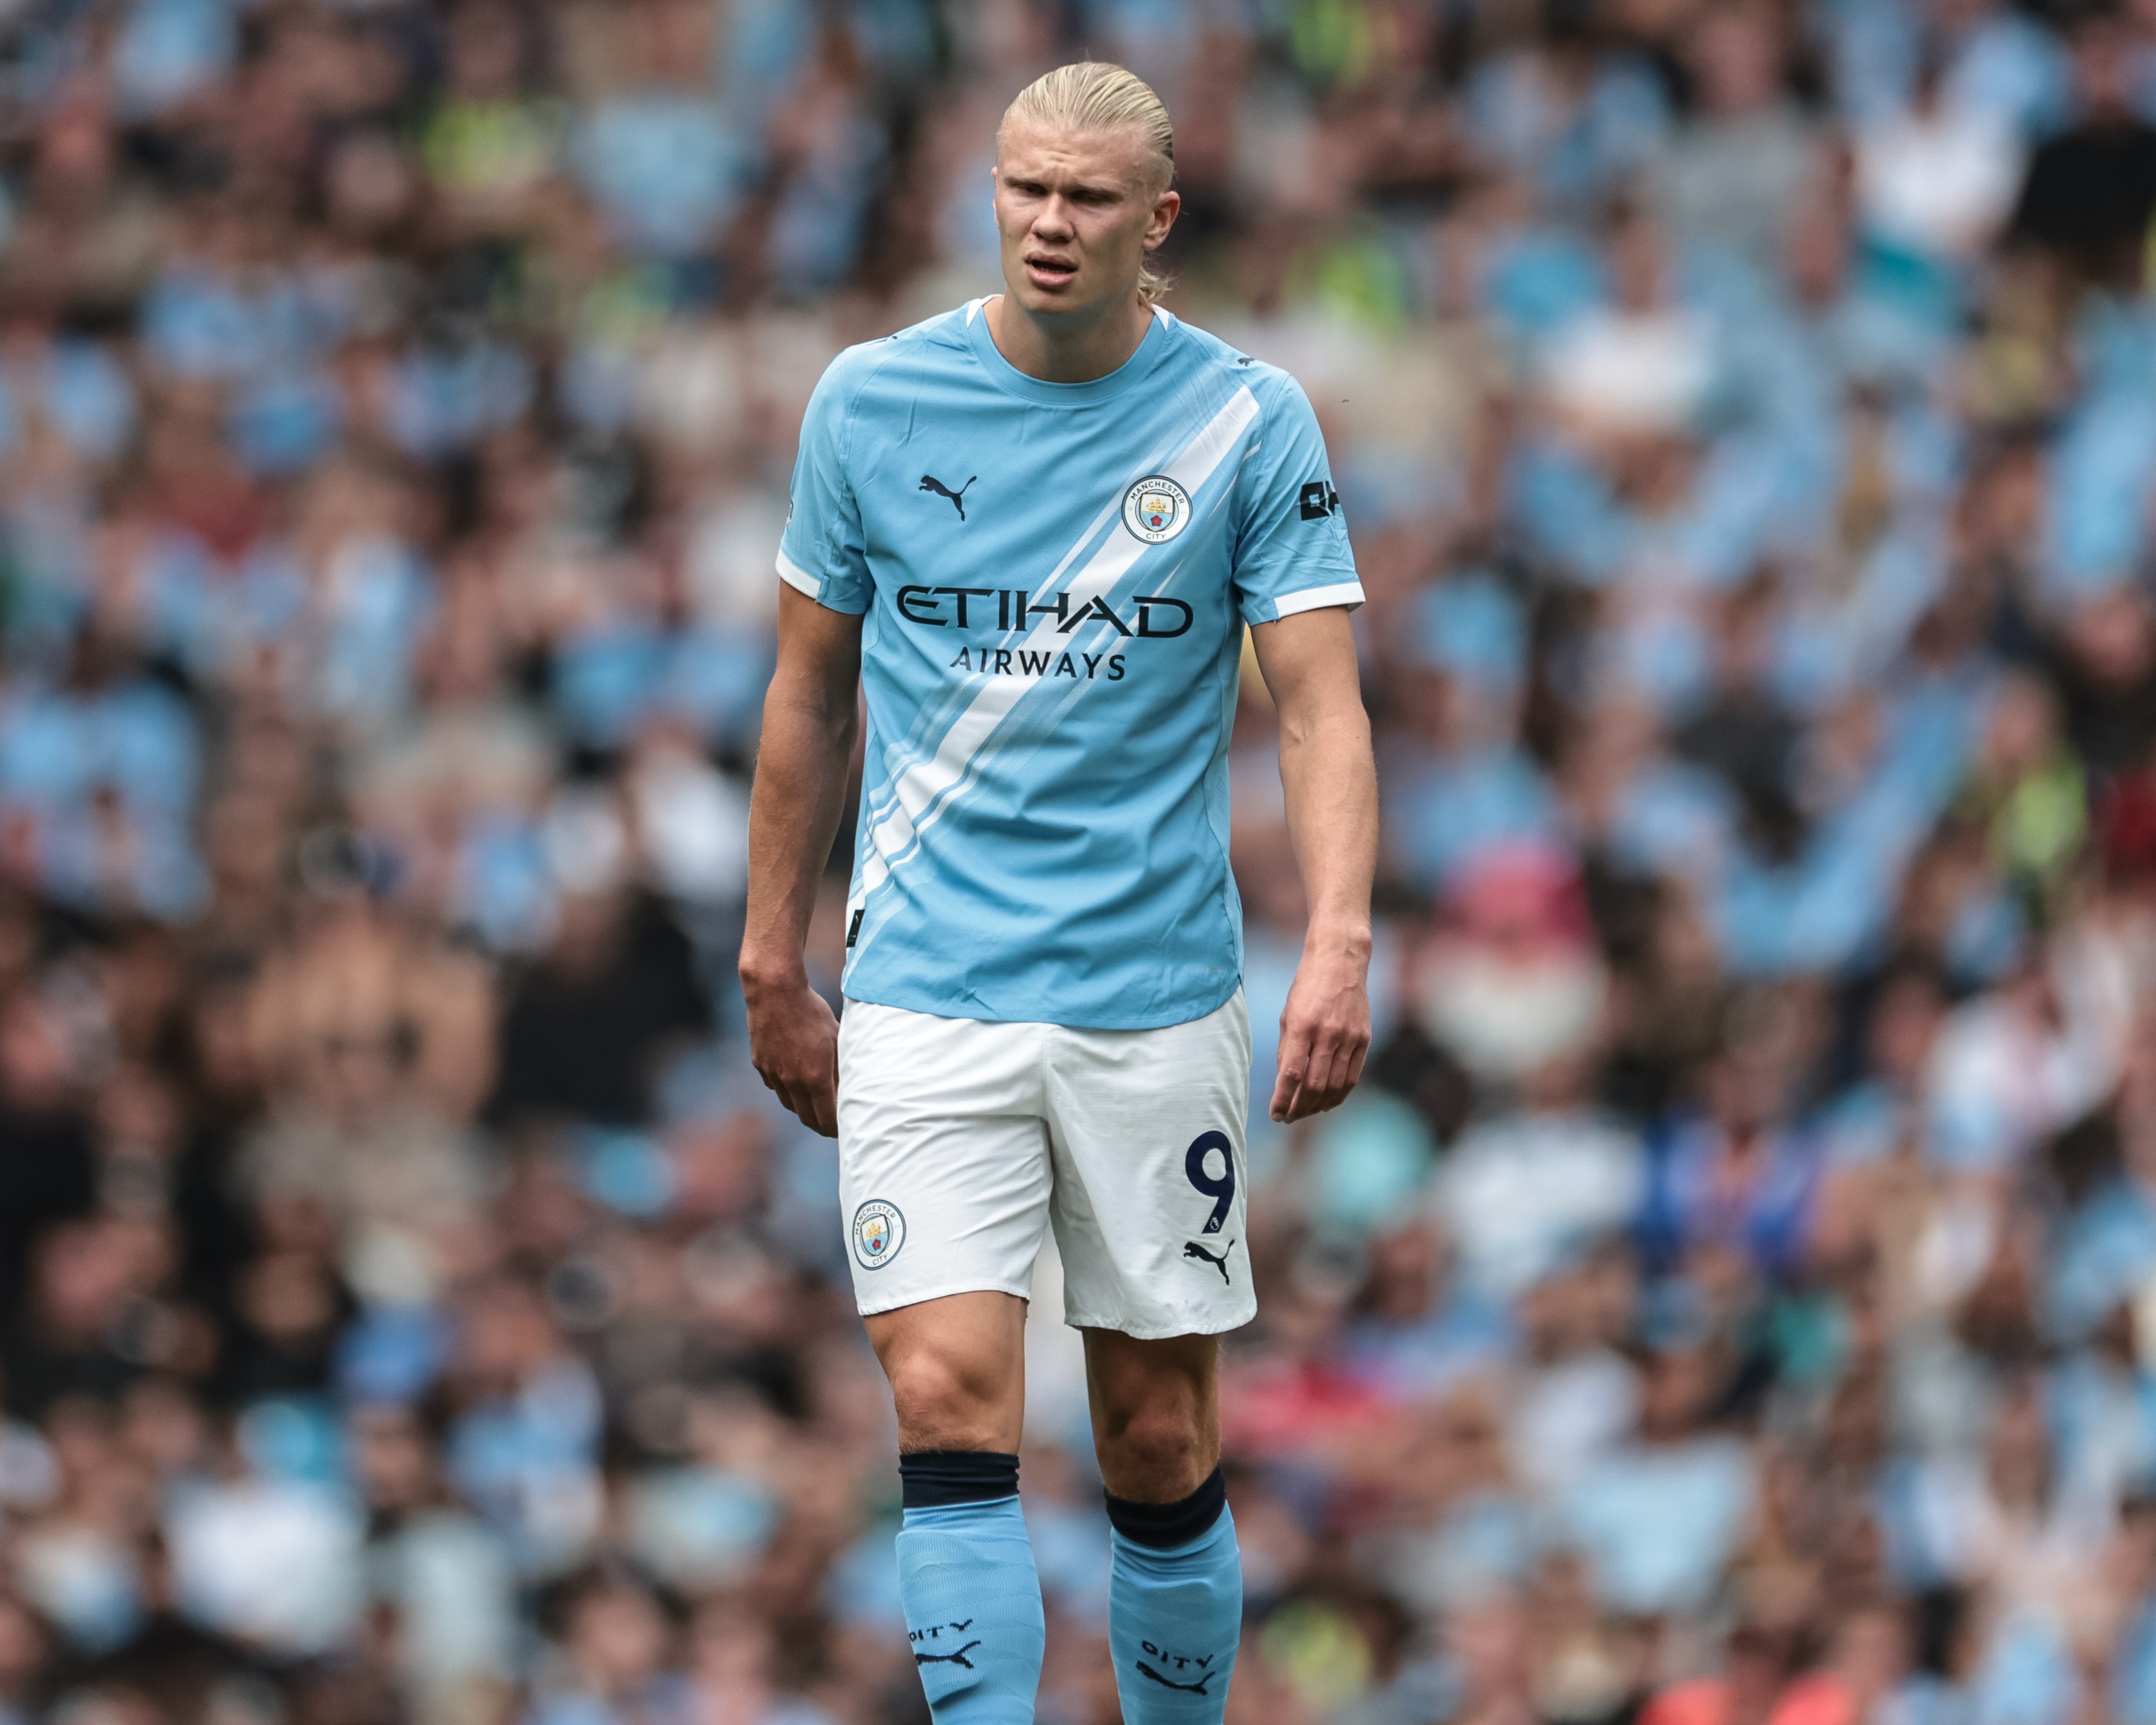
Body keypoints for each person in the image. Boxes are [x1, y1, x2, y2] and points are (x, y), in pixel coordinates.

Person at [739, 60, 1377, 1725]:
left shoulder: (1247, 420)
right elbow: (806, 694)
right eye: (1025, 187)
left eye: (1087, 198)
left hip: (1148, 997)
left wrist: (1336, 939)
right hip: (924, 984)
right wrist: (769, 957)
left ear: (1155, 221)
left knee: (1153, 1430)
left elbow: (1319, 706)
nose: (1047, 221)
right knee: (948, 1394)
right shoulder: (871, 402)